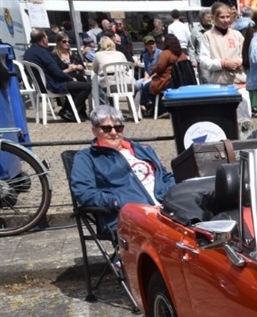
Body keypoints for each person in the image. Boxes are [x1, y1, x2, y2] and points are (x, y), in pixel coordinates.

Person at [69, 105, 176, 235]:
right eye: (106, 128)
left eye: (118, 128)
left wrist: (173, 194)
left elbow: (166, 177)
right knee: (171, 236)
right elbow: (84, 193)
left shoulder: (143, 149)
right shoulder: (87, 157)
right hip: (128, 217)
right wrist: (116, 201)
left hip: (166, 208)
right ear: (95, 131)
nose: (114, 133)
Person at [23, 29, 90, 122]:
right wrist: (70, 78)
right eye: (46, 37)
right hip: (52, 84)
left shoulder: (28, 53)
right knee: (87, 86)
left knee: (79, 78)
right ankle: (68, 111)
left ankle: (78, 112)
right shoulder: (43, 53)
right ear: (43, 40)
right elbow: (56, 72)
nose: (48, 39)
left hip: (40, 85)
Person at [138, 34, 188, 115]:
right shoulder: (182, 54)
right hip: (180, 81)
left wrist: (153, 69)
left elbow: (160, 67)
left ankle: (161, 108)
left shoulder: (166, 53)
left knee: (146, 87)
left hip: (166, 81)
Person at [199, 2, 246, 86]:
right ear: (213, 18)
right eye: (222, 17)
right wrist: (222, 63)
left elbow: (245, 55)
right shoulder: (208, 36)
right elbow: (204, 61)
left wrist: (238, 63)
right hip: (218, 83)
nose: (226, 20)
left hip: (239, 80)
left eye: (228, 17)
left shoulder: (237, 35)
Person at [190, 9, 213, 74]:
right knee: (206, 79)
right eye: (208, 17)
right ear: (202, 18)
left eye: (211, 17)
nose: (210, 19)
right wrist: (193, 60)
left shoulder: (214, 29)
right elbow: (191, 47)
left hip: (215, 60)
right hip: (202, 62)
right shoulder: (195, 31)